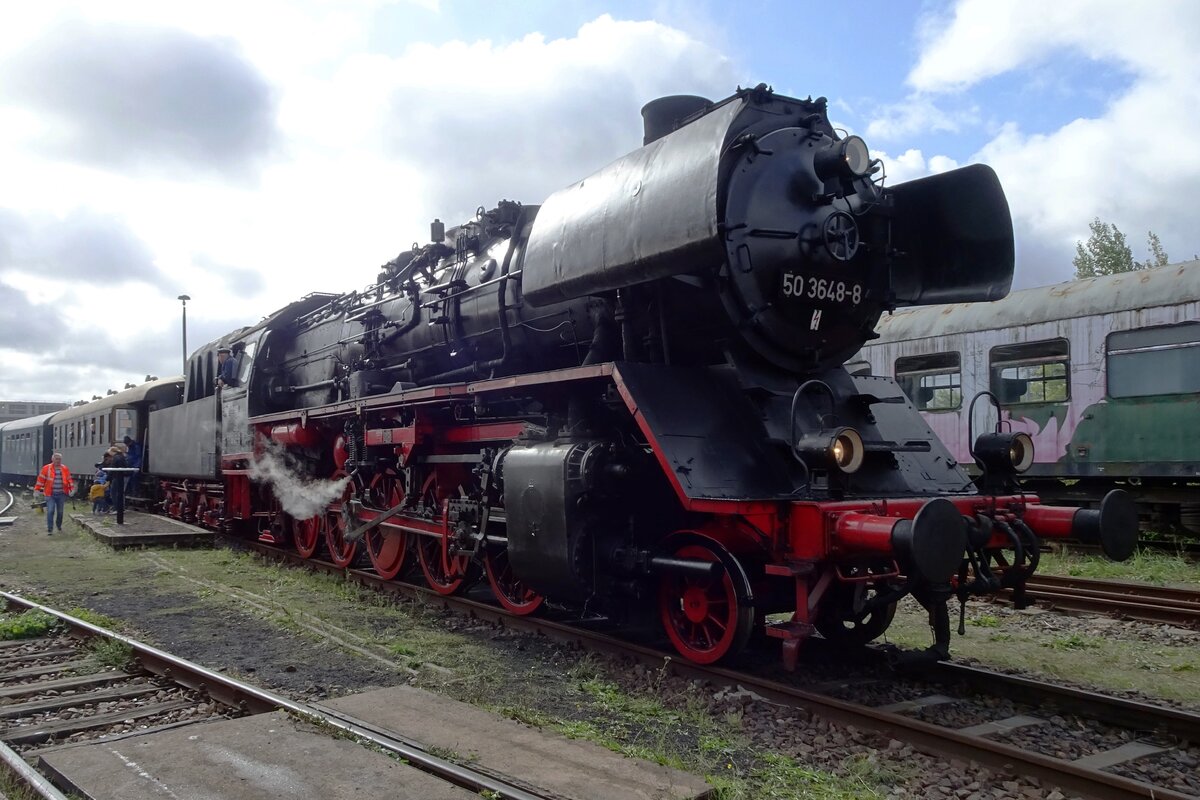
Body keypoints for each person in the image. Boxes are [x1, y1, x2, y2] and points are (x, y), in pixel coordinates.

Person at [34, 452, 75, 534]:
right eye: (56, 459)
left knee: (60, 512)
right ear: (52, 459)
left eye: (59, 459)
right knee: (50, 511)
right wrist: (37, 490)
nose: (58, 461)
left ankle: (59, 526)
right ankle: (50, 529)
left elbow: (69, 480)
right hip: (50, 494)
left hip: (61, 494)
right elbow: (41, 480)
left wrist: (72, 489)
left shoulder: (64, 468)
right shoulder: (46, 468)